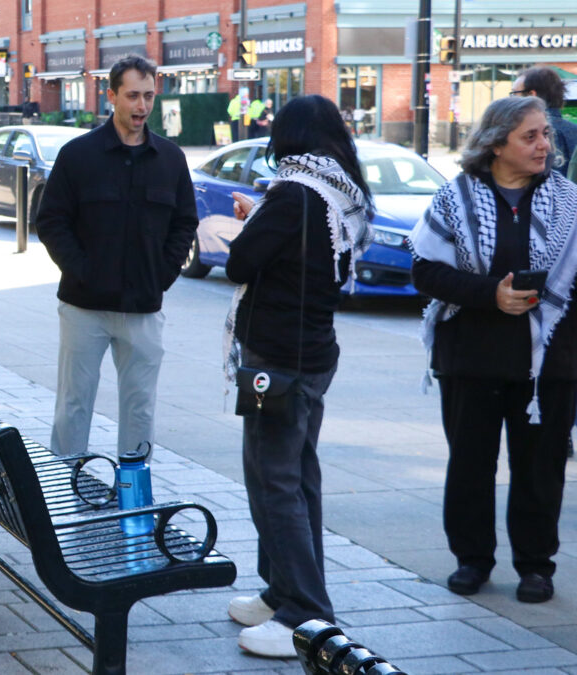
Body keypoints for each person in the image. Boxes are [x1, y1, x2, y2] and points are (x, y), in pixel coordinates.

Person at [223, 95, 374, 658]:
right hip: (312, 353)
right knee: (296, 475)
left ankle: (305, 613)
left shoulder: (293, 194)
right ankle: (283, 590)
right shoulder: (338, 190)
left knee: (274, 481)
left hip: (277, 359)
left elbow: (241, 264)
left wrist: (254, 221)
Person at [411, 95, 577, 605]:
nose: (544, 145)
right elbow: (425, 270)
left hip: (549, 363)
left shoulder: (569, 200)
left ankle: (535, 567)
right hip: (472, 356)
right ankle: (472, 560)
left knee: (539, 469)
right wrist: (491, 295)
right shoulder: (454, 197)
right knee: (470, 465)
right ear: (496, 142)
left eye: (546, 135)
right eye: (530, 136)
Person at [35, 55, 198, 458]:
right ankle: (63, 490)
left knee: (140, 406)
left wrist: (161, 275)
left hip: (143, 308)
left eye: (148, 96)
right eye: (132, 96)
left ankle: (134, 494)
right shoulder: (78, 155)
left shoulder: (171, 160)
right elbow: (52, 221)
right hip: (84, 307)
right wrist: (84, 271)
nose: (141, 106)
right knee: (73, 405)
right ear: (111, 96)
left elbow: (184, 223)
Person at [512, 66, 577, 177]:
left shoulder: (533, 132)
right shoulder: (572, 129)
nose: (511, 99)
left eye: (514, 94)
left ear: (532, 95)